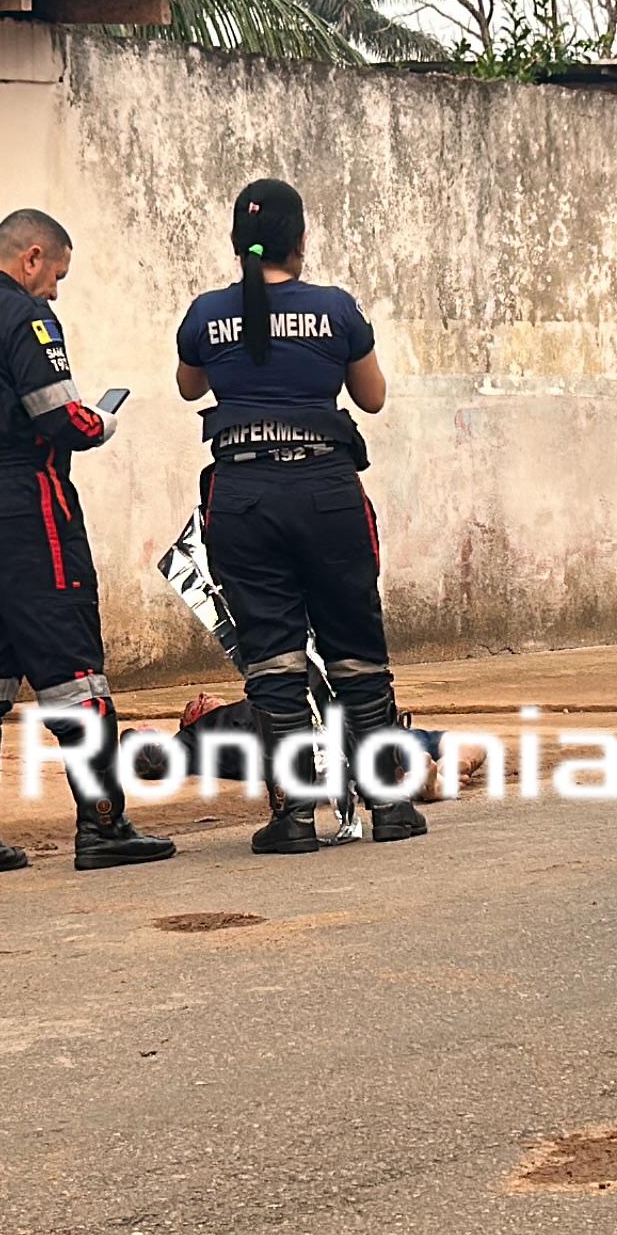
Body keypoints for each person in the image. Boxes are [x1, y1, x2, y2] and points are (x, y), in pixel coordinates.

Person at [0, 209, 177, 878]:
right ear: (31, 258)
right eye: (55, 275)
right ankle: (103, 826)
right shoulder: (21, 318)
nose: (54, 290)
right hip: (25, 502)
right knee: (70, 662)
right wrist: (105, 421)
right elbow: (64, 419)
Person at [173, 178, 420, 854]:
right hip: (326, 491)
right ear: (301, 239)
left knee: (273, 659)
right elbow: (371, 398)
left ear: (236, 241)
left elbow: (189, 384)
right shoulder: (335, 310)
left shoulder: (205, 315)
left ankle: (292, 819)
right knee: (356, 650)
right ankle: (390, 808)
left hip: (244, 498)